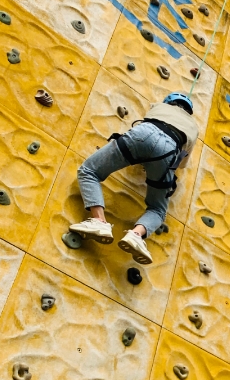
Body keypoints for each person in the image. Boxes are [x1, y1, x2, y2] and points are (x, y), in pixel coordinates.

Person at [69, 93, 199, 265]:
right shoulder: (193, 128)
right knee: (157, 209)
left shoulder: (158, 106)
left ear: (169, 102)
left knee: (89, 171)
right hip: (170, 149)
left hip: (145, 132)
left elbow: (147, 122)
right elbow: (182, 163)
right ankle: (136, 235)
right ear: (189, 111)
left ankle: (99, 221)